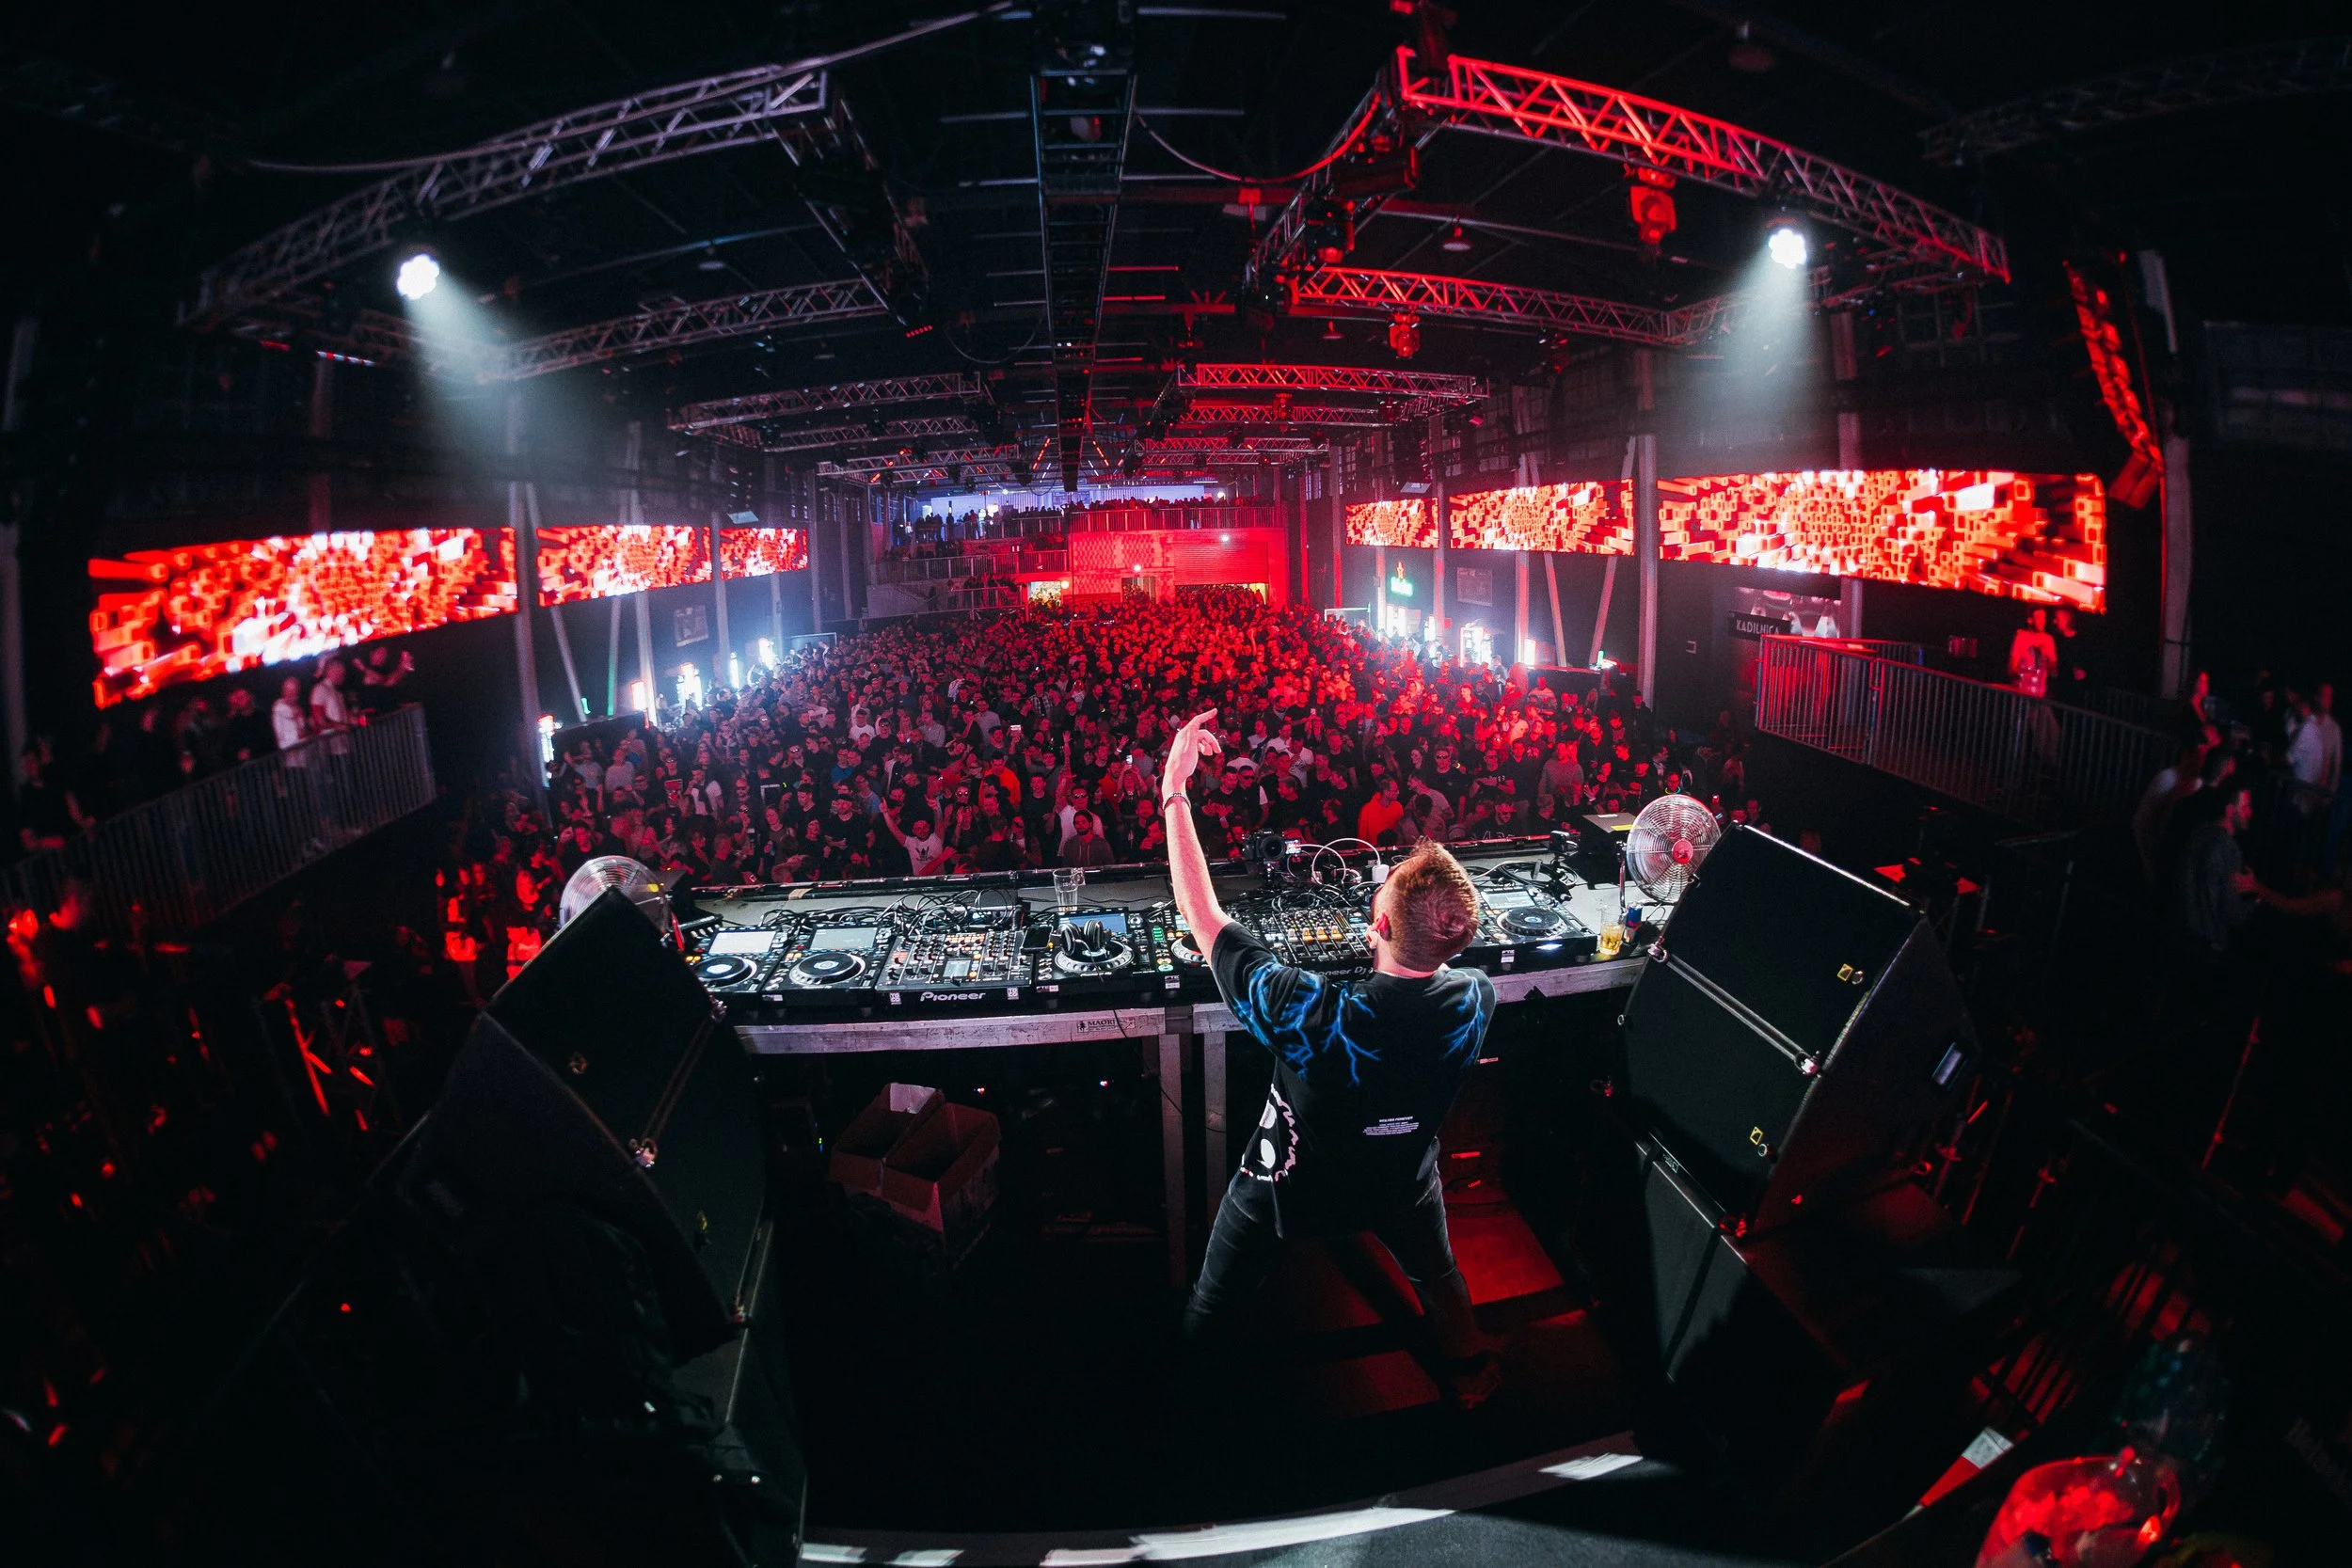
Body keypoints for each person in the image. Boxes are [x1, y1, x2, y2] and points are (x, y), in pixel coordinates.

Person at [1159, 709, 1502, 1406]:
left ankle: (1188, 1401)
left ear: (1378, 924)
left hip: (1289, 1186)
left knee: (1214, 1296)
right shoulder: (1477, 997)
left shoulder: (1313, 1013)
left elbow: (1204, 916)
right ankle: (1471, 1372)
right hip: (1402, 1179)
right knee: (1438, 1276)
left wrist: (1174, 790)